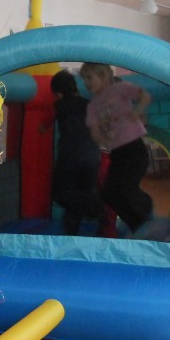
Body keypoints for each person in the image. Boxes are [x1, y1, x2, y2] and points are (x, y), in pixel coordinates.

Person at [78, 62, 153, 233]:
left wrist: (139, 110)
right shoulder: (92, 106)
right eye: (84, 79)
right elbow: (94, 131)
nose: (86, 83)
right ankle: (137, 225)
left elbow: (145, 95)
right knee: (109, 194)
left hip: (134, 150)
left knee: (126, 189)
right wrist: (100, 139)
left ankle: (146, 207)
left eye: (89, 78)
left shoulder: (119, 89)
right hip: (118, 153)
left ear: (104, 76)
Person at [49, 69, 104, 235]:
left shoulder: (61, 105)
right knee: (83, 191)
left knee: (61, 194)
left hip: (71, 156)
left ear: (59, 93)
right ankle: (72, 230)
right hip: (92, 155)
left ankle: (97, 206)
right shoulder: (89, 104)